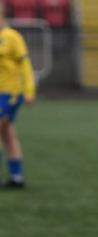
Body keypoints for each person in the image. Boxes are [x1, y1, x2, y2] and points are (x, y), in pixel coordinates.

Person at [0, 3, 36, 189]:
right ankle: (16, 177)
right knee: (7, 134)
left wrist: (29, 90)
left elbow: (25, 65)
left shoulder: (12, 37)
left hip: (9, 93)